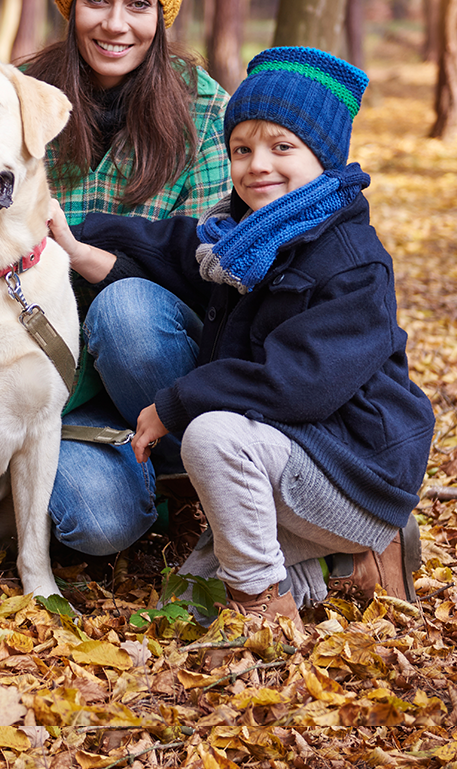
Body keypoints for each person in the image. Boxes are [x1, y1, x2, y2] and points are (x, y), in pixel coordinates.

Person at [49, 46, 434, 628]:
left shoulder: (351, 263)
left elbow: (299, 383)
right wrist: (77, 238)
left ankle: (266, 613)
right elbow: (171, 248)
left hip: (354, 470)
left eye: (283, 148)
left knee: (210, 435)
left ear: (325, 158)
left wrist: (174, 404)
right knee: (186, 600)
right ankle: (335, 566)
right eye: (242, 149)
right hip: (292, 459)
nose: (258, 165)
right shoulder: (249, 241)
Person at [20, 0, 230, 556]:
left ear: (160, 15)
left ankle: (186, 470)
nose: (115, 23)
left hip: (159, 361)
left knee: (126, 310)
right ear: (69, 5)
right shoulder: (24, 96)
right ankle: (138, 487)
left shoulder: (201, 105)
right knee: (96, 522)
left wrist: (98, 260)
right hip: (55, 374)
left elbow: (216, 270)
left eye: (138, 4)